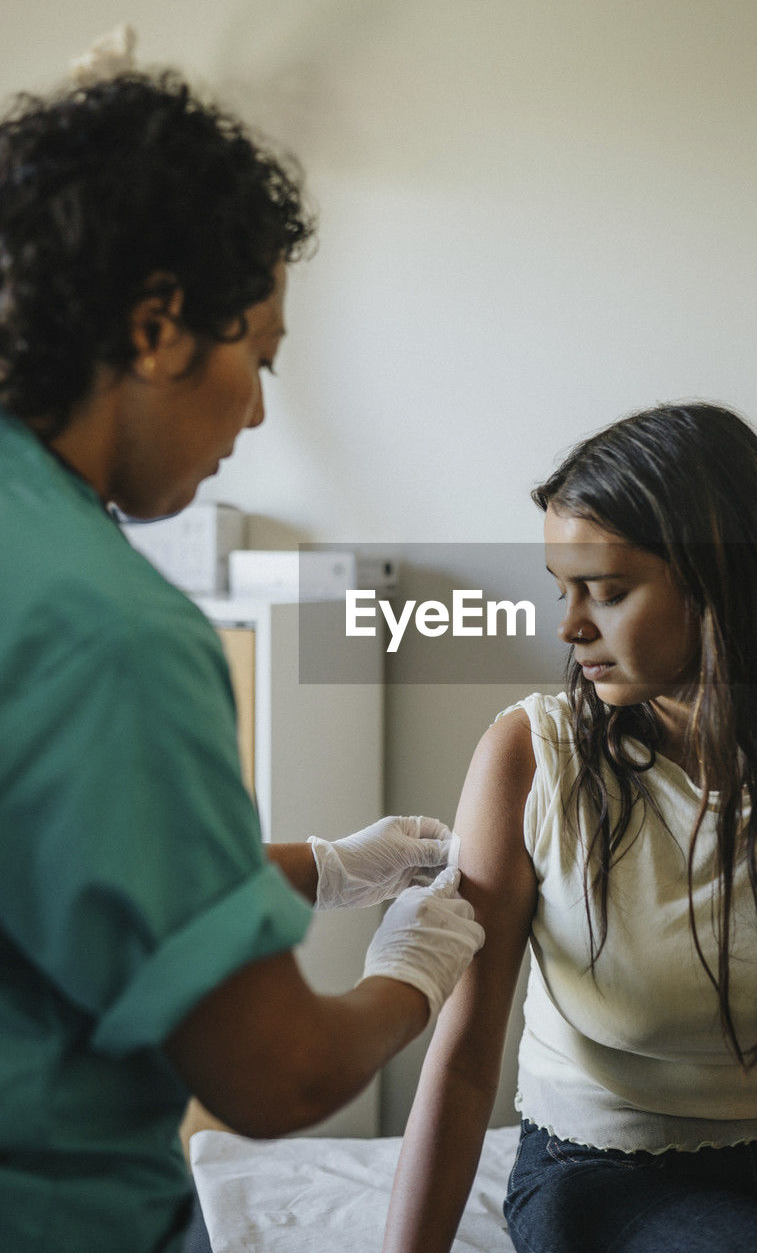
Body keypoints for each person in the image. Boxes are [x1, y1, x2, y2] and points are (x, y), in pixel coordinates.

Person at [0, 66, 484, 1253]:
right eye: (258, 356)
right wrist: (413, 969)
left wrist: (323, 868)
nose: (260, 413)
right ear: (158, 325)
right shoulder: (114, 632)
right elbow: (276, 1073)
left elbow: (66, 867)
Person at [382, 402, 757, 1253]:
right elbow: (461, 1057)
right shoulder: (531, 755)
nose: (569, 628)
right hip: (607, 1171)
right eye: (563, 592)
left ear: (718, 581)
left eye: (606, 592)